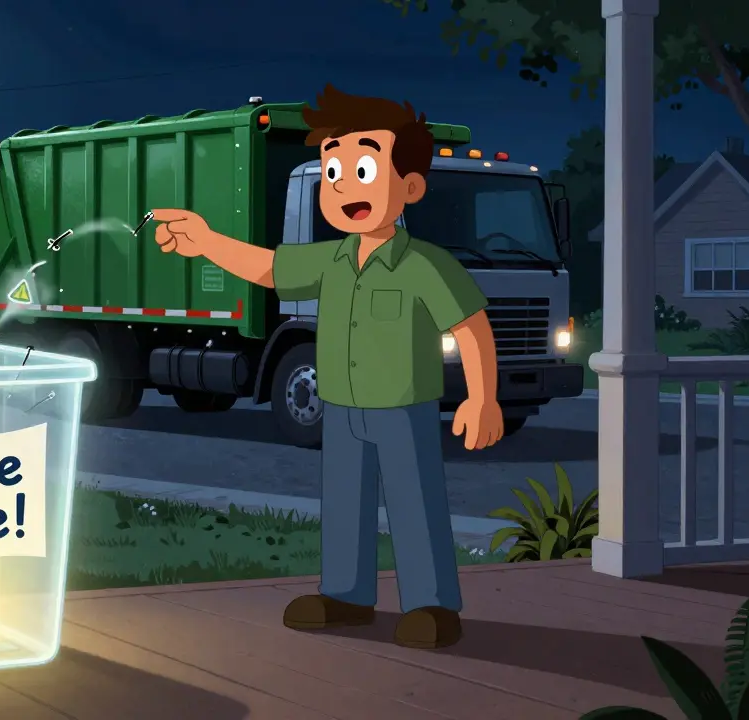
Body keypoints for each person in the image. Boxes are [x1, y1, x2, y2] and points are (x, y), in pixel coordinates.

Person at [149, 84, 503, 650]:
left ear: (409, 187)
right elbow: (266, 267)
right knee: (345, 500)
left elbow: (470, 326)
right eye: (331, 171)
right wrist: (208, 241)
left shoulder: (423, 264)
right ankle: (345, 596)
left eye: (363, 170)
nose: (342, 186)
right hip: (340, 403)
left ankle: (432, 605)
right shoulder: (331, 260)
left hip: (401, 404)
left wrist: (481, 397)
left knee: (415, 502)